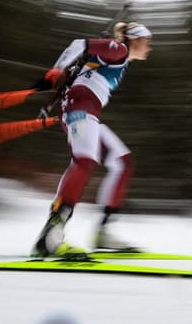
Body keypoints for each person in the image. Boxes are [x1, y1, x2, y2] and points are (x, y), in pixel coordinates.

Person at [32, 21, 153, 257]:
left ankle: (104, 233)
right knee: (85, 162)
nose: (149, 47)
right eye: (147, 41)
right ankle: (51, 235)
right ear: (135, 40)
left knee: (123, 162)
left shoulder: (121, 59)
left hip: (87, 114)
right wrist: (53, 73)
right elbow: (79, 45)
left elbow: (88, 63)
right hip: (79, 111)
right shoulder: (120, 50)